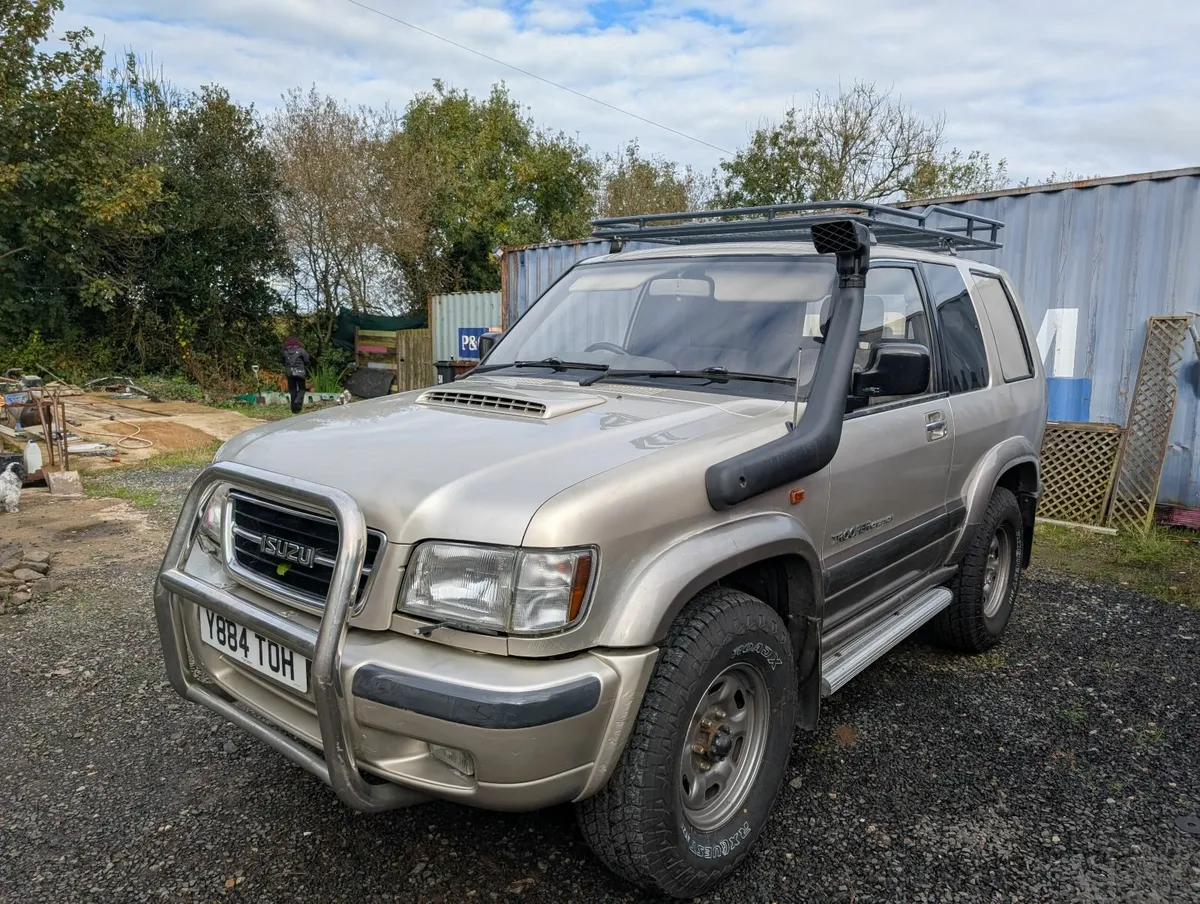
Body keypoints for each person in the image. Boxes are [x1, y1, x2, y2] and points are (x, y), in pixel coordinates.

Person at [282, 337, 311, 414]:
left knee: (292, 390)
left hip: (289, 373)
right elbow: (307, 360)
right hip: (300, 372)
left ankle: (294, 409)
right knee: (302, 389)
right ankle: (297, 402)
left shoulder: (285, 352)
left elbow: (282, 361)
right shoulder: (301, 350)